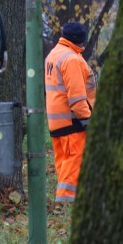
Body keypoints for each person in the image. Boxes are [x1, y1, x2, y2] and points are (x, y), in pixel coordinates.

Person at [44, 22, 96, 202]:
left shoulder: (54, 54)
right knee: (74, 162)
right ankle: (65, 203)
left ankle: (65, 200)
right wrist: (88, 120)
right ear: (80, 40)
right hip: (72, 121)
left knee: (63, 163)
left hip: (56, 121)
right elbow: (77, 98)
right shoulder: (72, 59)